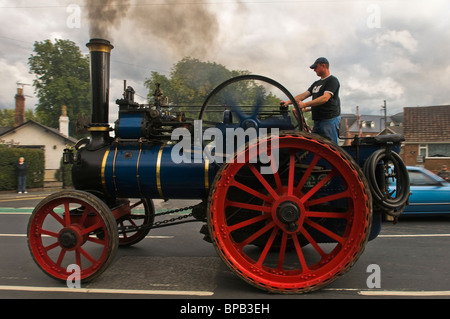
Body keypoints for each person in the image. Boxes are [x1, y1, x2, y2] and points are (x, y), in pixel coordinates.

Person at [282, 57, 341, 144]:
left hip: (329, 119)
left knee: (332, 147)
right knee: (314, 145)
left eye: (315, 67)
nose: (314, 70)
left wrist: (305, 105)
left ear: (323, 66)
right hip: (317, 120)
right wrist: (288, 102)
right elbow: (303, 95)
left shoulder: (332, 80)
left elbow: (325, 98)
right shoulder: (316, 84)